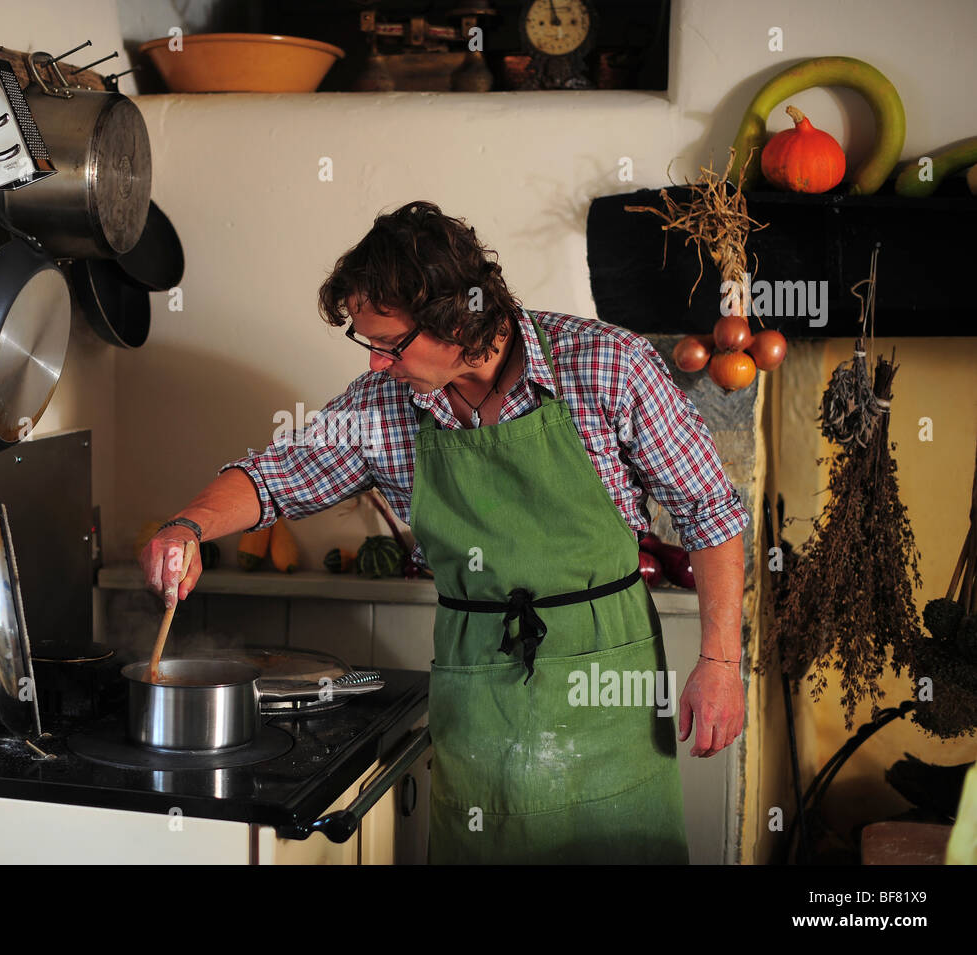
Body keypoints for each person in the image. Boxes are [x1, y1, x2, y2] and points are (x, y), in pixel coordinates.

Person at [140, 200, 747, 864]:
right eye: (365, 343)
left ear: (454, 320)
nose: (375, 364)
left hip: (608, 688)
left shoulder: (606, 365)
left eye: (388, 343)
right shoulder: (385, 406)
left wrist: (719, 661)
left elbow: (710, 511)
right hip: (477, 696)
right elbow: (274, 477)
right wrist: (187, 526)